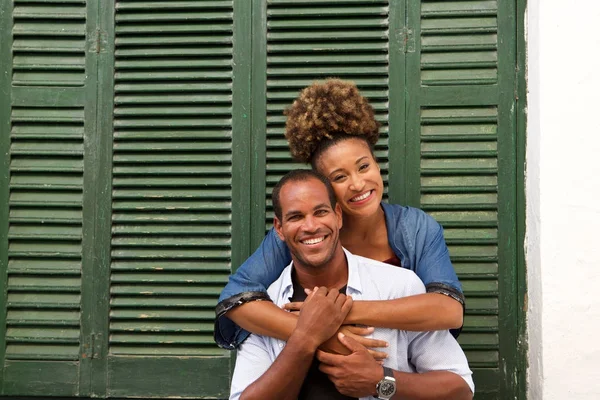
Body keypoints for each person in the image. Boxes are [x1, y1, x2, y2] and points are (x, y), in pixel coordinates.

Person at [215, 79, 465, 353]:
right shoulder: (306, 233)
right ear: (323, 189)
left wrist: (341, 311)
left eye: (363, 167)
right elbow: (235, 301)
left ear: (376, 164)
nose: (358, 184)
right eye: (339, 177)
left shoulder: (416, 229)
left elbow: (449, 309)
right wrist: (317, 334)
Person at [229, 170, 474, 400]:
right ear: (280, 229)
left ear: (338, 216)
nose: (311, 226)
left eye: (321, 212)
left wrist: (380, 381)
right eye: (296, 216)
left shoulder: (399, 286)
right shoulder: (264, 307)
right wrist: (305, 337)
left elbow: (461, 389)